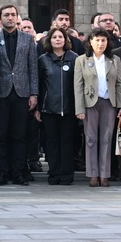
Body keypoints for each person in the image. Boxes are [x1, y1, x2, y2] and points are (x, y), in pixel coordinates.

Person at [0, 3, 37, 185]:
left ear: (17, 18)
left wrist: (34, 93)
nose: (10, 18)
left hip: (22, 92)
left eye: (13, 15)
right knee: (1, 134)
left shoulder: (27, 39)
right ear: (0, 18)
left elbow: (32, 67)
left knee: (19, 134)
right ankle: (2, 171)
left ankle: (18, 172)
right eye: (6, 15)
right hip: (1, 92)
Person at [76, 27, 121, 188]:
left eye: (103, 40)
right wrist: (80, 109)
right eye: (97, 40)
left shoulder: (114, 60)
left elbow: (119, 84)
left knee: (106, 138)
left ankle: (104, 174)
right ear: (90, 42)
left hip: (108, 102)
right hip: (90, 103)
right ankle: (92, 173)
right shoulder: (82, 60)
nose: (100, 43)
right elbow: (78, 86)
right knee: (90, 139)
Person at [33, 25, 81, 184]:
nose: (58, 39)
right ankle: (53, 174)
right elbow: (39, 85)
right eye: (54, 37)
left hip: (69, 108)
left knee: (67, 143)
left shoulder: (75, 58)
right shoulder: (43, 60)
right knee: (52, 143)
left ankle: (67, 175)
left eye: (61, 37)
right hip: (49, 109)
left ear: (66, 40)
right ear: (49, 40)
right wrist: (38, 108)